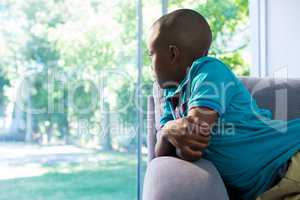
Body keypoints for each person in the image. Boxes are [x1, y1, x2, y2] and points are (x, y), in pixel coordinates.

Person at [147, 8, 300, 200]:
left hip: (289, 160)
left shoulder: (208, 71)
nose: (150, 65)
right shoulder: (172, 98)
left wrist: (175, 133)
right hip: (267, 188)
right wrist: (169, 129)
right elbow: (161, 151)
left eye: (150, 55)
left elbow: (195, 138)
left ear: (172, 54)